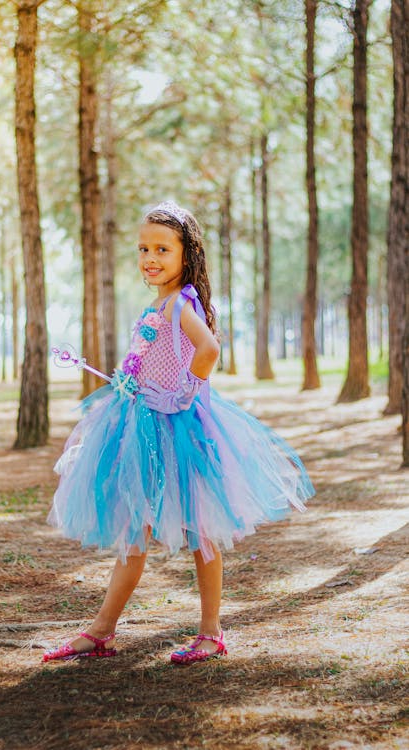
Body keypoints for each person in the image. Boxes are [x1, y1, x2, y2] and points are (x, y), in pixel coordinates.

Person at [43, 201, 315, 665]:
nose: (150, 257)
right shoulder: (158, 303)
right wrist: (133, 381)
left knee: (202, 531)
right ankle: (102, 630)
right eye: (144, 248)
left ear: (186, 255)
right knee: (135, 527)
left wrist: (185, 389)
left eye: (162, 249)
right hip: (144, 429)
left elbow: (209, 349)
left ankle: (211, 632)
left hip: (180, 431)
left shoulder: (181, 302)